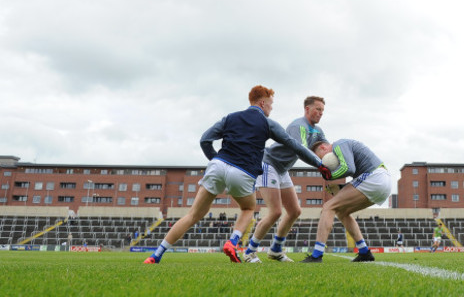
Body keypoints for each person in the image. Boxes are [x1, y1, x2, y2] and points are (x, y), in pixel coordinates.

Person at [144, 85, 325, 264]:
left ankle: (156, 255)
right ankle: (232, 242)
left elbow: (205, 140)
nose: (271, 108)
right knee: (247, 208)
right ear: (262, 103)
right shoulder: (268, 124)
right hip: (242, 171)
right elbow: (294, 146)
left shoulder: (230, 118)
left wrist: (216, 160)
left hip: (217, 165)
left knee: (193, 215)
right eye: (271, 104)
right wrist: (318, 163)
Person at [244, 96, 327, 263]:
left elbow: (326, 147)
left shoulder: (318, 131)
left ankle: (275, 250)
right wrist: (320, 165)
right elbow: (301, 150)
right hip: (268, 164)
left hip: (282, 169)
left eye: (322, 110)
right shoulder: (298, 126)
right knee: (275, 212)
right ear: (307, 109)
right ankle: (249, 252)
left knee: (295, 211)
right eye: (317, 109)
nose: (320, 113)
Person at [301, 139, 391, 263]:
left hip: (374, 177)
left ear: (323, 148)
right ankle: (364, 252)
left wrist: (330, 176)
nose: (321, 163)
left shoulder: (339, 145)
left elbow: (348, 168)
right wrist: (341, 187)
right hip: (381, 182)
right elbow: (353, 172)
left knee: (328, 206)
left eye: (319, 158)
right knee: (342, 212)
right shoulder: (343, 148)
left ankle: (316, 255)